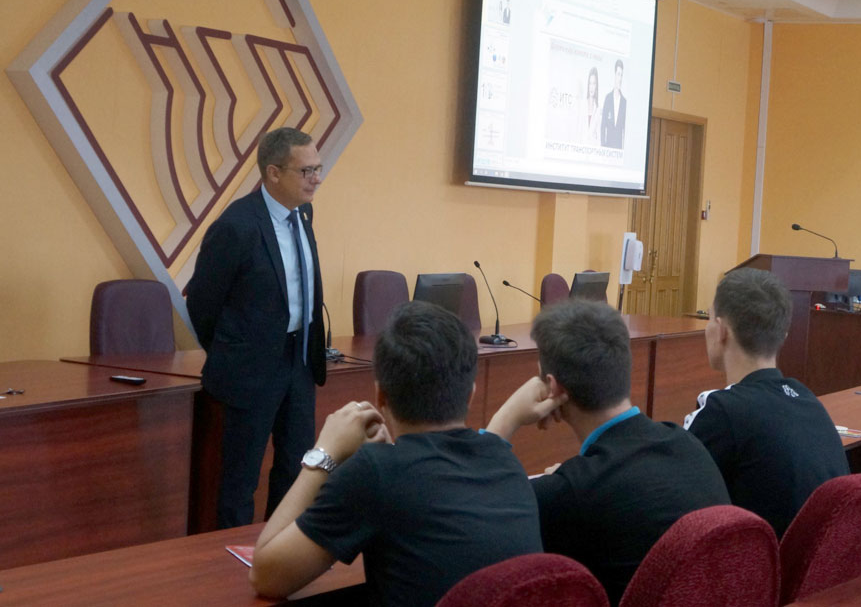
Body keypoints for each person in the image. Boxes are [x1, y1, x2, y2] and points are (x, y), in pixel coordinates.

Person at [250, 301, 542, 605]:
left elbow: (265, 575)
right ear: (470, 395)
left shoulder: (376, 473)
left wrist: (324, 454)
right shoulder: (506, 460)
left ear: (380, 396)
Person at [487, 300, 730, 604]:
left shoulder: (571, 493)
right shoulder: (687, 444)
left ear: (553, 388)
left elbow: (474, 514)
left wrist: (505, 418)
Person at [187, 127, 327, 529]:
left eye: (317, 168)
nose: (316, 179)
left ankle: (279, 547)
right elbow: (202, 303)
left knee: (296, 469)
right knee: (239, 481)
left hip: (299, 362)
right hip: (249, 371)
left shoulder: (303, 214)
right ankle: (229, 557)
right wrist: (234, 351)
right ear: (273, 173)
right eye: (306, 171)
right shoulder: (236, 226)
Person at [684, 267, 849, 538]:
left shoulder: (721, 412)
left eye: (709, 318)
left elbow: (675, 498)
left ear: (721, 330)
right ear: (783, 335)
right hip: (820, 559)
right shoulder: (806, 398)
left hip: (764, 562)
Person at [600, 59, 626, 148]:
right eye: (618, 74)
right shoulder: (608, 98)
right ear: (614, 75)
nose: (620, 78)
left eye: (621, 75)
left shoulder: (624, 102)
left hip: (619, 151)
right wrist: (603, 147)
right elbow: (603, 125)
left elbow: (625, 130)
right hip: (607, 149)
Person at [579, 66, 600, 145]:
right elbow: (579, 131)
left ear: (596, 86)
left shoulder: (598, 108)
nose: (591, 87)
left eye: (594, 83)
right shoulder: (583, 105)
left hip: (593, 148)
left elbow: (598, 136)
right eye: (590, 83)